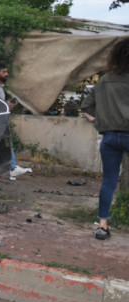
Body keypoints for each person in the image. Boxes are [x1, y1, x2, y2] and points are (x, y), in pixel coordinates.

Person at [81, 38, 129, 241]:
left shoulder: (104, 80)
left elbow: (85, 108)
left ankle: (102, 226)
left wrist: (97, 120)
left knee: (108, 181)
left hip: (109, 137)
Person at [0, 63, 32, 181]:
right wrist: (7, 106)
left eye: (6, 72)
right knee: (1, 145)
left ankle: (8, 169)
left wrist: (7, 103)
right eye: (3, 72)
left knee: (3, 145)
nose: (6, 74)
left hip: (0, 122)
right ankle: (11, 168)